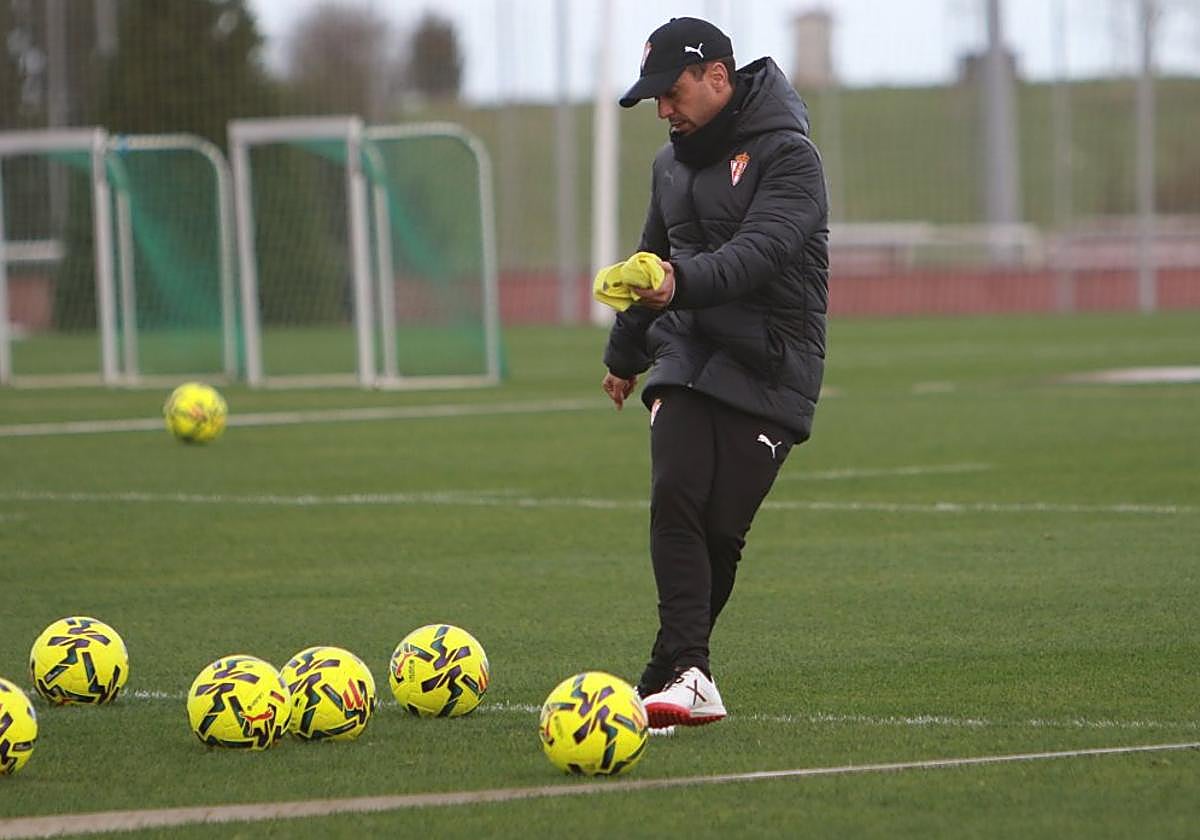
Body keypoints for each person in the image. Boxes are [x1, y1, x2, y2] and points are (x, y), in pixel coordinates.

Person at [600, 16, 830, 728]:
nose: (663, 111)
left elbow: (759, 253)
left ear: (719, 77)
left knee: (720, 531)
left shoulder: (790, 157)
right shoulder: (667, 165)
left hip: (770, 362)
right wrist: (625, 353)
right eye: (654, 100)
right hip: (685, 352)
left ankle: (665, 671)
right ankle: (693, 673)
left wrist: (677, 284)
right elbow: (652, 255)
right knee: (676, 493)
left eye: (671, 93)